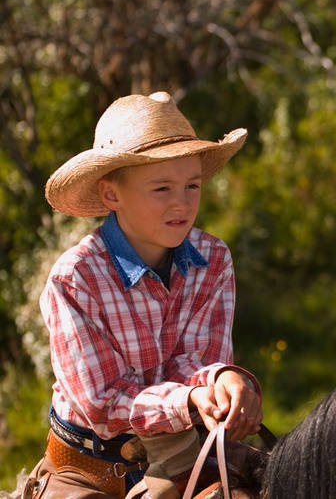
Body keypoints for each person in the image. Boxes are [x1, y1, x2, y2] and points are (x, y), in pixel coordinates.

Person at [24, 91, 262, 499]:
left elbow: (198, 359)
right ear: (112, 195)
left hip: (182, 445)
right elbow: (103, 404)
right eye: (162, 189)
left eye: (192, 185)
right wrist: (190, 399)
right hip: (89, 465)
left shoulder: (213, 259)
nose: (182, 203)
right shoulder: (76, 278)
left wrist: (222, 379)